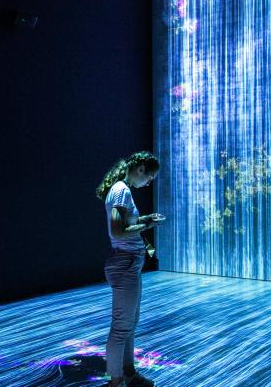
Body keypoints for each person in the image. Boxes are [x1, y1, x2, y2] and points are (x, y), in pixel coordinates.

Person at [95, 151, 164, 387]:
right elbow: (117, 231)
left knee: (129, 324)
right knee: (121, 326)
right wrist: (146, 225)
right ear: (141, 169)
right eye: (150, 177)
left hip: (129, 264)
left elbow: (124, 223)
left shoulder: (122, 190)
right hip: (125, 263)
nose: (149, 182)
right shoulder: (121, 190)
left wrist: (145, 218)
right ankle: (116, 382)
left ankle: (128, 374)